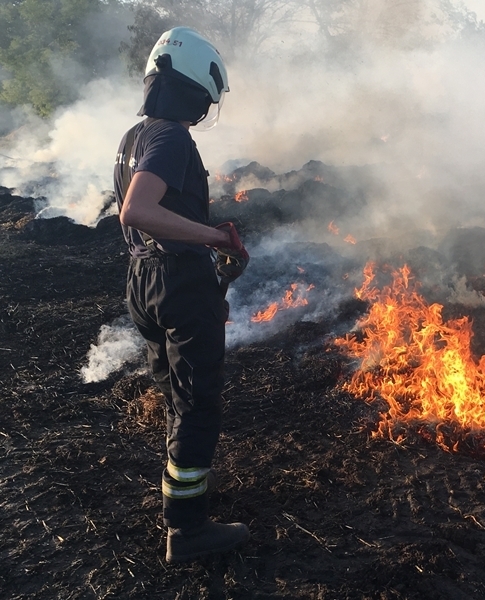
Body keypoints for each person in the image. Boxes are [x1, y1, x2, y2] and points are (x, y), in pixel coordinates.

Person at [113, 26, 251, 563]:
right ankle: (188, 530)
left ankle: (181, 491)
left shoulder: (134, 136)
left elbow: (146, 218)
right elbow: (139, 210)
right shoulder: (171, 138)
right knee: (198, 404)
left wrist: (206, 257)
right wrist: (216, 238)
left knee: (177, 394)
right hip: (175, 282)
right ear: (194, 90)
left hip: (144, 281)